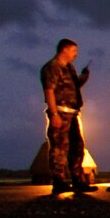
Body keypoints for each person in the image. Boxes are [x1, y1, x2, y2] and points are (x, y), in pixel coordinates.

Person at [40, 38, 94, 197]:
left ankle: (78, 180)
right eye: (74, 51)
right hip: (60, 112)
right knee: (59, 147)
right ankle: (58, 181)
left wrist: (84, 78)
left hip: (73, 113)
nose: (75, 55)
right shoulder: (52, 68)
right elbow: (49, 91)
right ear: (64, 49)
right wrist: (54, 113)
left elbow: (74, 86)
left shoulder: (69, 68)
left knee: (77, 146)